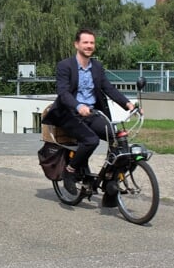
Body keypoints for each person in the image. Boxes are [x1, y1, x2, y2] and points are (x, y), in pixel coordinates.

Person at [42, 28, 138, 198]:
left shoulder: (97, 67)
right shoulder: (65, 66)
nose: (89, 46)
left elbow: (108, 88)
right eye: (85, 42)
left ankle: (110, 180)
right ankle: (70, 171)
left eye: (92, 43)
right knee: (91, 140)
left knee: (117, 138)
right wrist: (78, 106)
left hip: (92, 113)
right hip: (69, 114)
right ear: (77, 44)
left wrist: (128, 104)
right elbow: (63, 93)